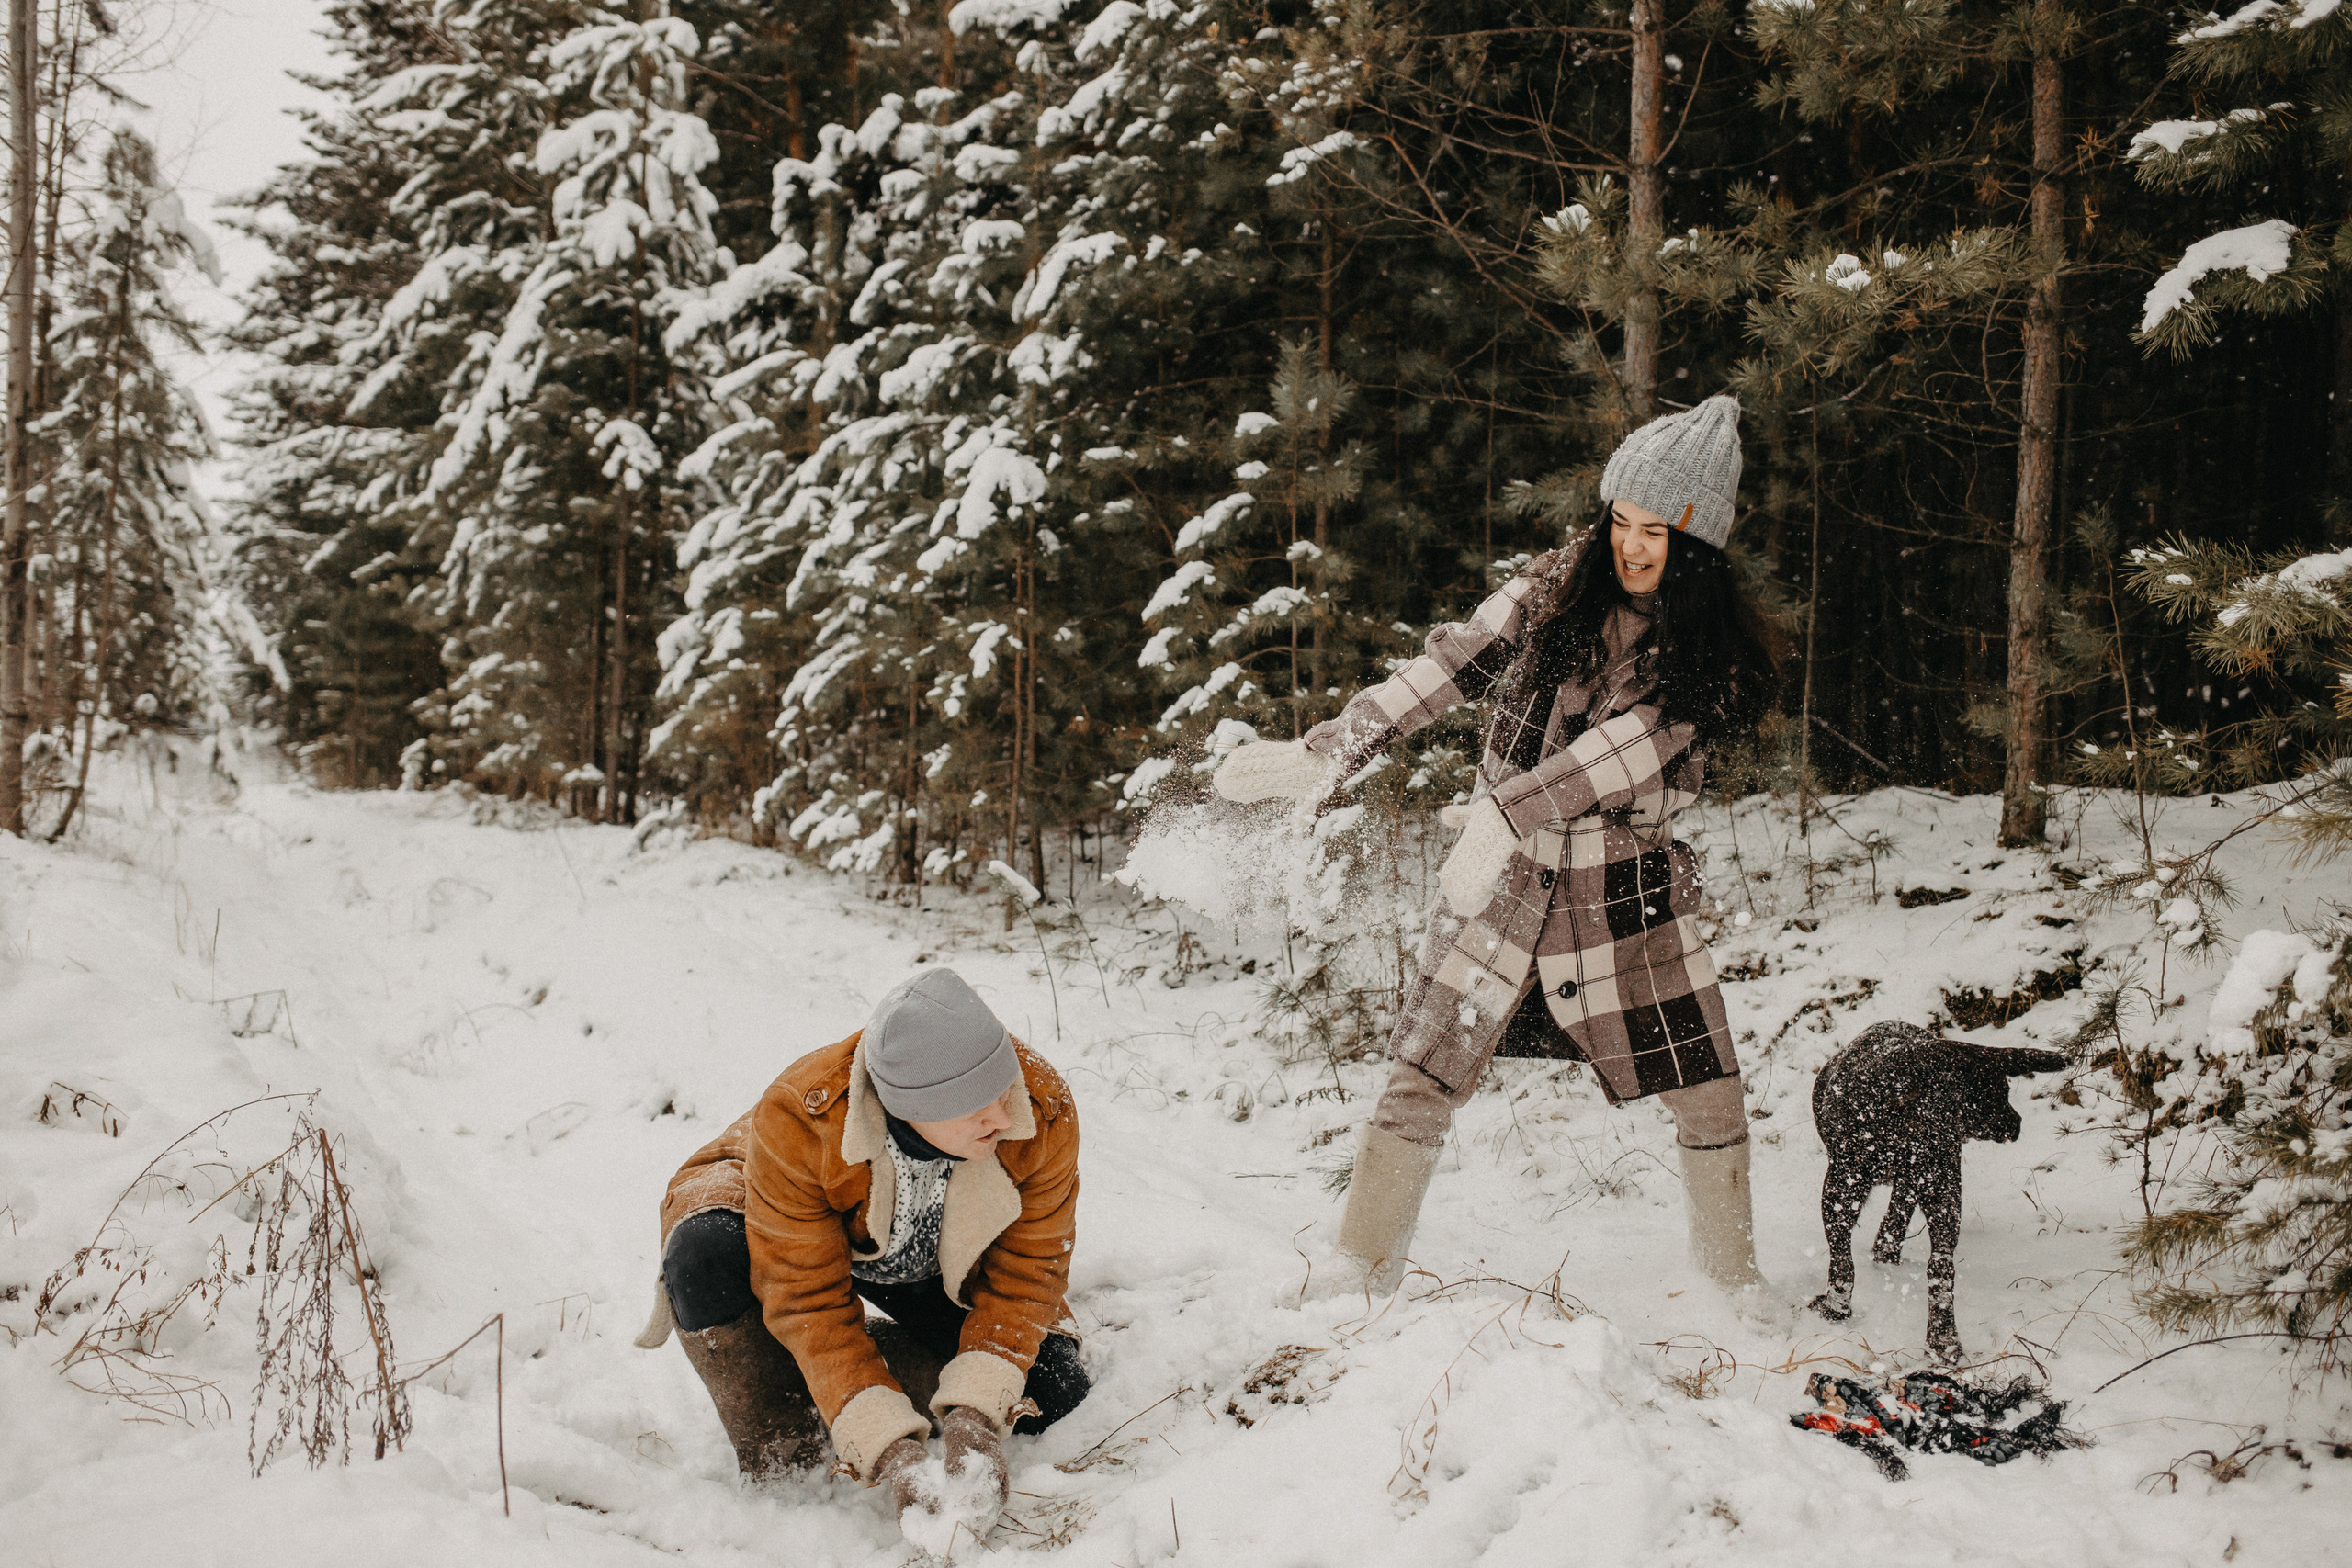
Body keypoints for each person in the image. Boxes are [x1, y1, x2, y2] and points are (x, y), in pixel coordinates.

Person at [1216, 394, 1782, 1312]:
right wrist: (1329, 750)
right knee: (1423, 1068)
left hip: (1621, 888)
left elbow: (1620, 751)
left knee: (1704, 1080)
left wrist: (1506, 811)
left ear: (1700, 547)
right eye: (1622, 523)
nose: (1633, 547)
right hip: (1502, 884)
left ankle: (1732, 1279)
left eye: (1660, 533)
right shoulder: (1555, 585)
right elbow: (1448, 665)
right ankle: (1362, 1266)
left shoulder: (1703, 657)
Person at [631, 967, 1087, 1525]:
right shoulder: (802, 1117)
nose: (1002, 1115)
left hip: (933, 1259)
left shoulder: (1040, 1105)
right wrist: (885, 1441)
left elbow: (1029, 1269)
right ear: (908, 1106)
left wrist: (974, 1409)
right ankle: (783, 1436)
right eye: (972, 1104)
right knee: (704, 1253)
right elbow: (808, 1297)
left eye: (1002, 1088)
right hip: (790, 1225)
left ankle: (836, 1375)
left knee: (1054, 1387)